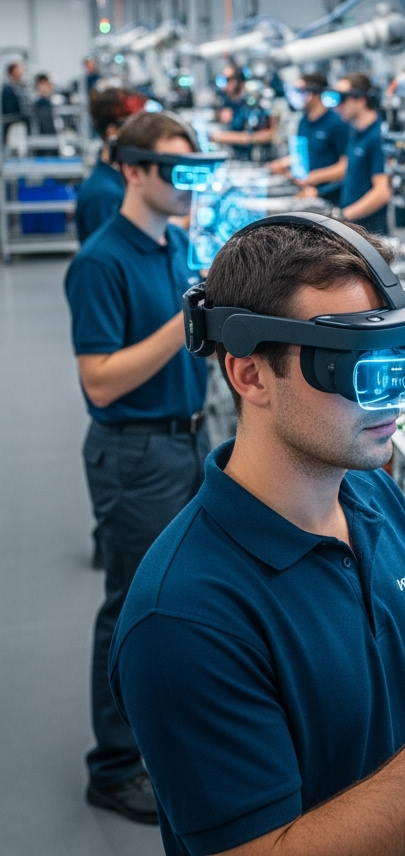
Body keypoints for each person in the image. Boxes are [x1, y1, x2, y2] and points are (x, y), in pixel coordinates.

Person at [108, 215, 405, 856]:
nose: (395, 397)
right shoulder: (182, 618)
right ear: (251, 375)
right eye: (357, 369)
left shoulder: (368, 493)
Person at [64, 111, 211, 824]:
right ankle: (114, 766)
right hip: (136, 452)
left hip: (189, 439)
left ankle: (164, 736)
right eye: (176, 172)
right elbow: (100, 380)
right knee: (127, 606)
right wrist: (186, 323)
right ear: (132, 170)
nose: (189, 186)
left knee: (181, 597)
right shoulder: (101, 260)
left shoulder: (176, 244)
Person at [75, 88, 147, 244]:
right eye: (139, 126)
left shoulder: (119, 179)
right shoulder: (103, 195)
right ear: (113, 132)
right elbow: (110, 256)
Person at [269, 71, 349, 197]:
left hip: (329, 193)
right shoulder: (304, 121)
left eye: (301, 92)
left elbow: (346, 166)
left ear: (314, 93)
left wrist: (315, 177)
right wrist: (285, 164)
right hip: (305, 190)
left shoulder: (337, 123)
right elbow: (304, 154)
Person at [333, 72, 391, 234]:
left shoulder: (378, 135)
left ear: (360, 99)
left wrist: (343, 217)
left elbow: (382, 192)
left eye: (342, 98)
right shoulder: (355, 131)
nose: (337, 106)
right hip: (353, 226)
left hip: (368, 232)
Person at [210, 65, 276, 160]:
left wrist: (231, 138)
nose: (224, 85)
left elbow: (269, 134)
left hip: (256, 160)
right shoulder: (228, 103)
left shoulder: (257, 102)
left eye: (227, 80)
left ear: (238, 81)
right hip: (235, 159)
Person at [2, 60, 28, 141]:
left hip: (19, 124)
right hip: (13, 125)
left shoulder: (20, 89)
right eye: (19, 70)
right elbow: (9, 110)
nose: (22, 72)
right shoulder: (7, 89)